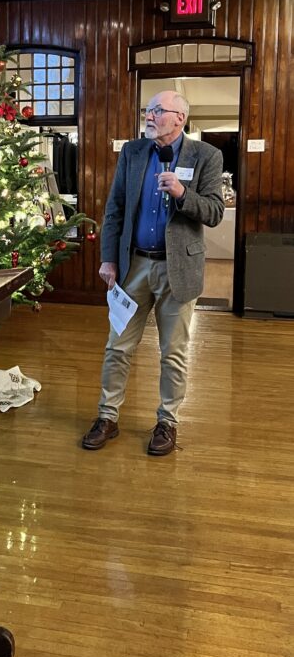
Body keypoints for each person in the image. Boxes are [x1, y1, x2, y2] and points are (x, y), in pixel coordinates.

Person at [82, 90, 224, 456]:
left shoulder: (206, 155)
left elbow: (214, 212)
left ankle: (167, 422)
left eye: (158, 111)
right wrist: (109, 258)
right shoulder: (133, 152)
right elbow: (115, 208)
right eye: (148, 109)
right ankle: (107, 416)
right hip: (133, 266)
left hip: (179, 268)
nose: (149, 115)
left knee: (172, 353)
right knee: (117, 347)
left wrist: (181, 193)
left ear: (180, 118)